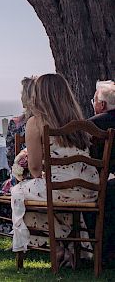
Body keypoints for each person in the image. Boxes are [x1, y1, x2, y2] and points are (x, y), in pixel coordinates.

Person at [11, 73, 99, 266]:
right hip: (90, 190)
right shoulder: (81, 123)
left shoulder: (36, 122)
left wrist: (33, 174)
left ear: (41, 95)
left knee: (17, 193)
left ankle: (56, 248)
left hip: (59, 190)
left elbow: (34, 168)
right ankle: (71, 248)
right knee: (51, 194)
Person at [88, 80, 115, 267]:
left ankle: (100, 253)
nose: (93, 105)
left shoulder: (96, 123)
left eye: (94, 101)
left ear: (102, 105)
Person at [5, 76, 36, 168]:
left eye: (22, 94)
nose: (21, 97)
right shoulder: (52, 122)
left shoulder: (15, 124)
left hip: (26, 172)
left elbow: (10, 156)